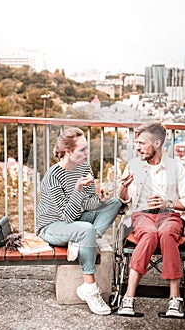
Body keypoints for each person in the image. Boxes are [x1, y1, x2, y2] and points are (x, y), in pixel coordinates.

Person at [36, 127, 122, 316]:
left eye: (86, 148)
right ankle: (89, 289)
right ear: (68, 152)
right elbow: (66, 216)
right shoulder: (53, 176)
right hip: (51, 226)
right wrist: (77, 189)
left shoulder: (84, 167)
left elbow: (89, 204)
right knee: (85, 229)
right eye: (82, 150)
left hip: (75, 221)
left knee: (115, 202)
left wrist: (100, 199)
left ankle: (83, 238)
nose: (86, 153)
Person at [117, 122, 185, 317]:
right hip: (142, 215)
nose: (137, 147)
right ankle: (128, 297)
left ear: (157, 143)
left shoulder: (175, 167)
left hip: (169, 214)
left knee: (167, 232)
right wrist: (124, 187)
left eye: (142, 143)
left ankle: (174, 299)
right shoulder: (134, 165)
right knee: (151, 233)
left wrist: (168, 202)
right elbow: (123, 199)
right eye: (136, 143)